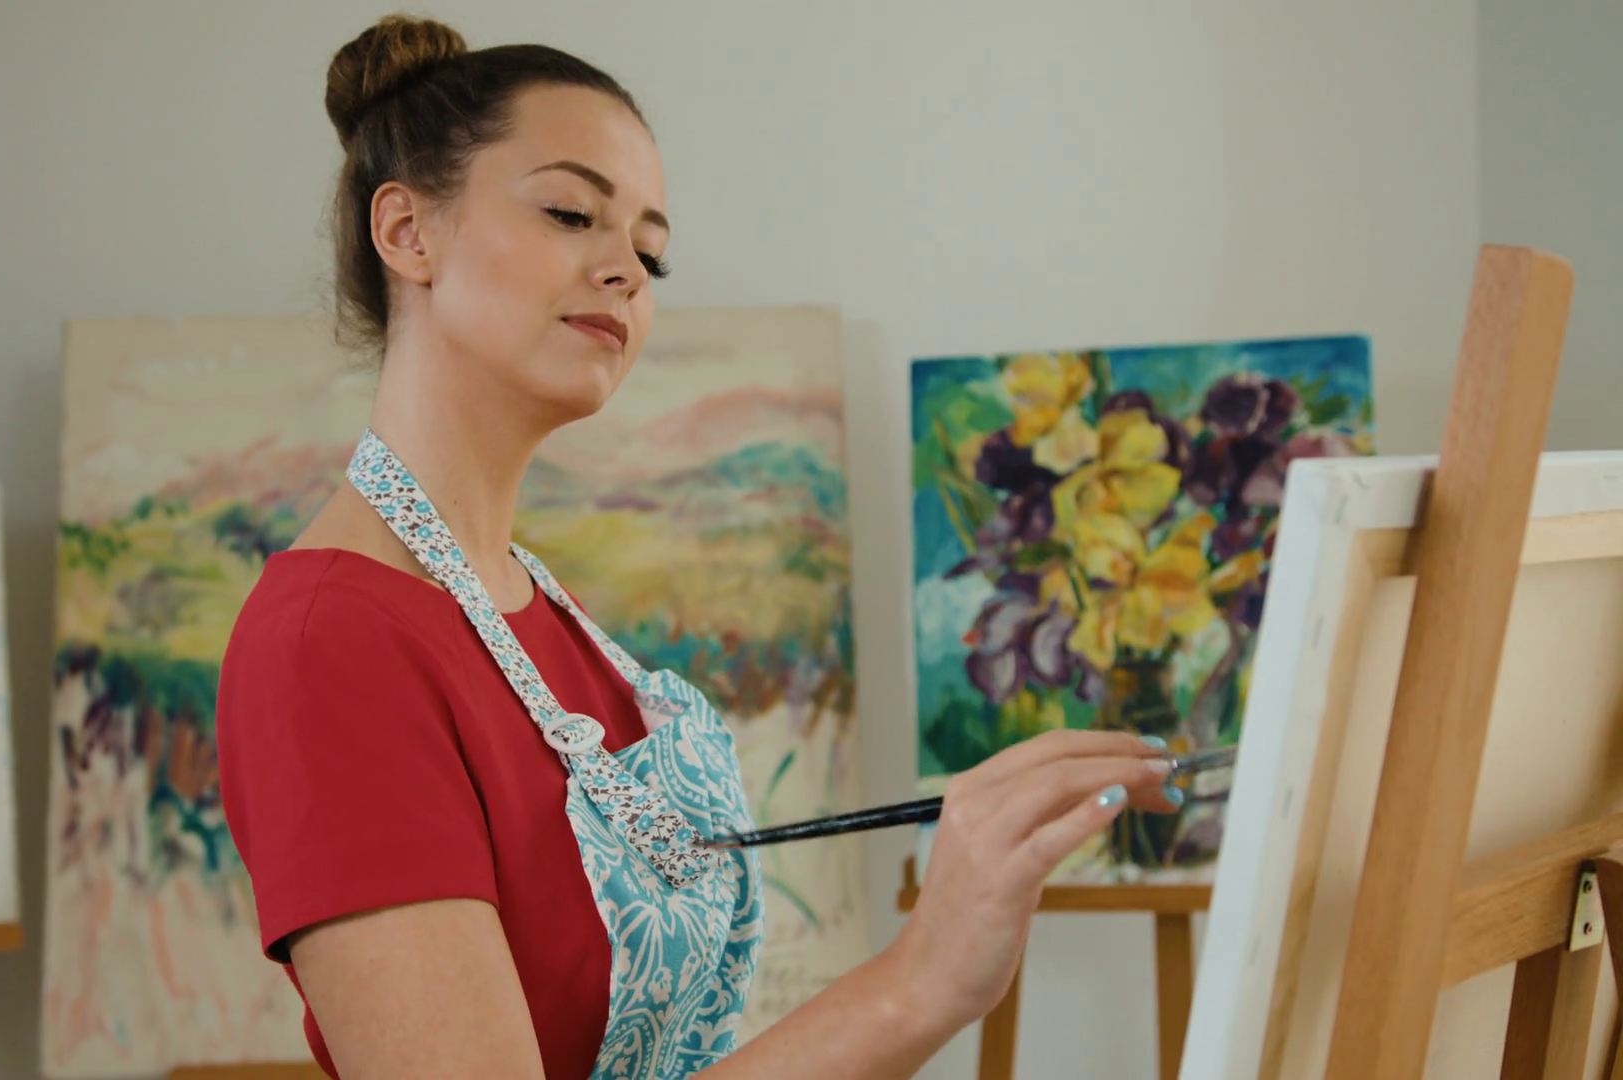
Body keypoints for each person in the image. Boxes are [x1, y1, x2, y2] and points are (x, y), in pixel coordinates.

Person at [214, 14, 1183, 1080]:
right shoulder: (332, 642)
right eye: (571, 211)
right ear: (407, 233)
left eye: (651, 251)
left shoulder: (545, 622)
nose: (625, 269)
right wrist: (923, 980)